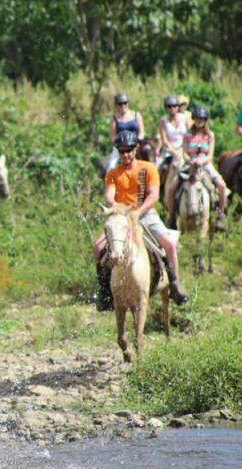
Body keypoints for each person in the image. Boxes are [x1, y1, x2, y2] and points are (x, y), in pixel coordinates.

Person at [93, 131, 189, 311]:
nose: (126, 154)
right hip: (121, 217)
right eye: (122, 151)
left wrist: (137, 213)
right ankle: (105, 291)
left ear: (135, 149)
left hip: (145, 214)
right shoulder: (113, 173)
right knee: (98, 249)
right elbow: (109, 196)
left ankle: (175, 284)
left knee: (168, 244)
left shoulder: (148, 168)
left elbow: (153, 196)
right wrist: (119, 211)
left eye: (129, 150)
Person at [180, 106, 228, 232]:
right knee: (173, 184)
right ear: (193, 119)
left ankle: (220, 214)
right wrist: (190, 160)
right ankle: (171, 213)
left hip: (205, 164)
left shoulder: (209, 135)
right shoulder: (187, 135)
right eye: (197, 118)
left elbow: (210, 155)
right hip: (190, 163)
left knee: (221, 185)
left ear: (205, 120)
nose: (199, 121)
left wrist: (202, 160)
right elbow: (184, 152)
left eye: (202, 119)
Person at [158, 94, 189, 207]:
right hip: (169, 150)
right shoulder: (163, 121)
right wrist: (173, 149)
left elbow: (190, 134)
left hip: (185, 149)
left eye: (175, 106)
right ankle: (158, 194)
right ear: (166, 108)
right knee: (158, 168)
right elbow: (164, 139)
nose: (172, 109)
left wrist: (183, 148)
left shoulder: (185, 118)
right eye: (169, 106)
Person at [107, 93, 145, 170]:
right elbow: (112, 137)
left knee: (151, 156)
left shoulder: (136, 115)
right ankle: (109, 180)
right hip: (121, 146)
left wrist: (137, 142)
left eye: (125, 103)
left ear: (128, 103)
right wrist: (121, 145)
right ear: (116, 105)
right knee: (111, 165)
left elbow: (142, 133)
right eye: (120, 104)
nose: (123, 106)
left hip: (136, 144)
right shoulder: (114, 118)